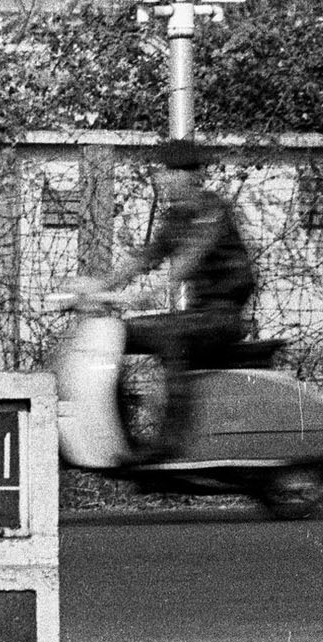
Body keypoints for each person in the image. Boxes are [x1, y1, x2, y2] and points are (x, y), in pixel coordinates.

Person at [99, 138, 257, 464]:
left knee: (169, 334)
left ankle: (169, 443)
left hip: (223, 316)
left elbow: (189, 258)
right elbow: (145, 257)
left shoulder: (212, 211)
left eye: (176, 171)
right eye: (164, 171)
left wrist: (154, 291)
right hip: (199, 315)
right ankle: (120, 436)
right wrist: (99, 285)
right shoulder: (175, 218)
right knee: (114, 334)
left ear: (194, 176)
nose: (166, 178)